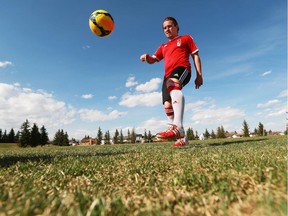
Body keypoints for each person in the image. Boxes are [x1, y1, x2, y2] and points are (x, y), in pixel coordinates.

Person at [140, 16, 203, 147]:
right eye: (164, 28)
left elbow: (195, 55)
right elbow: (154, 59)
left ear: (176, 27)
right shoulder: (163, 46)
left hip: (183, 68)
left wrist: (199, 74)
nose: (167, 29)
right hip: (167, 77)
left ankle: (177, 127)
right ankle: (182, 138)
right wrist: (147, 58)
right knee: (167, 105)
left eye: (169, 26)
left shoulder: (186, 38)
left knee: (172, 84)